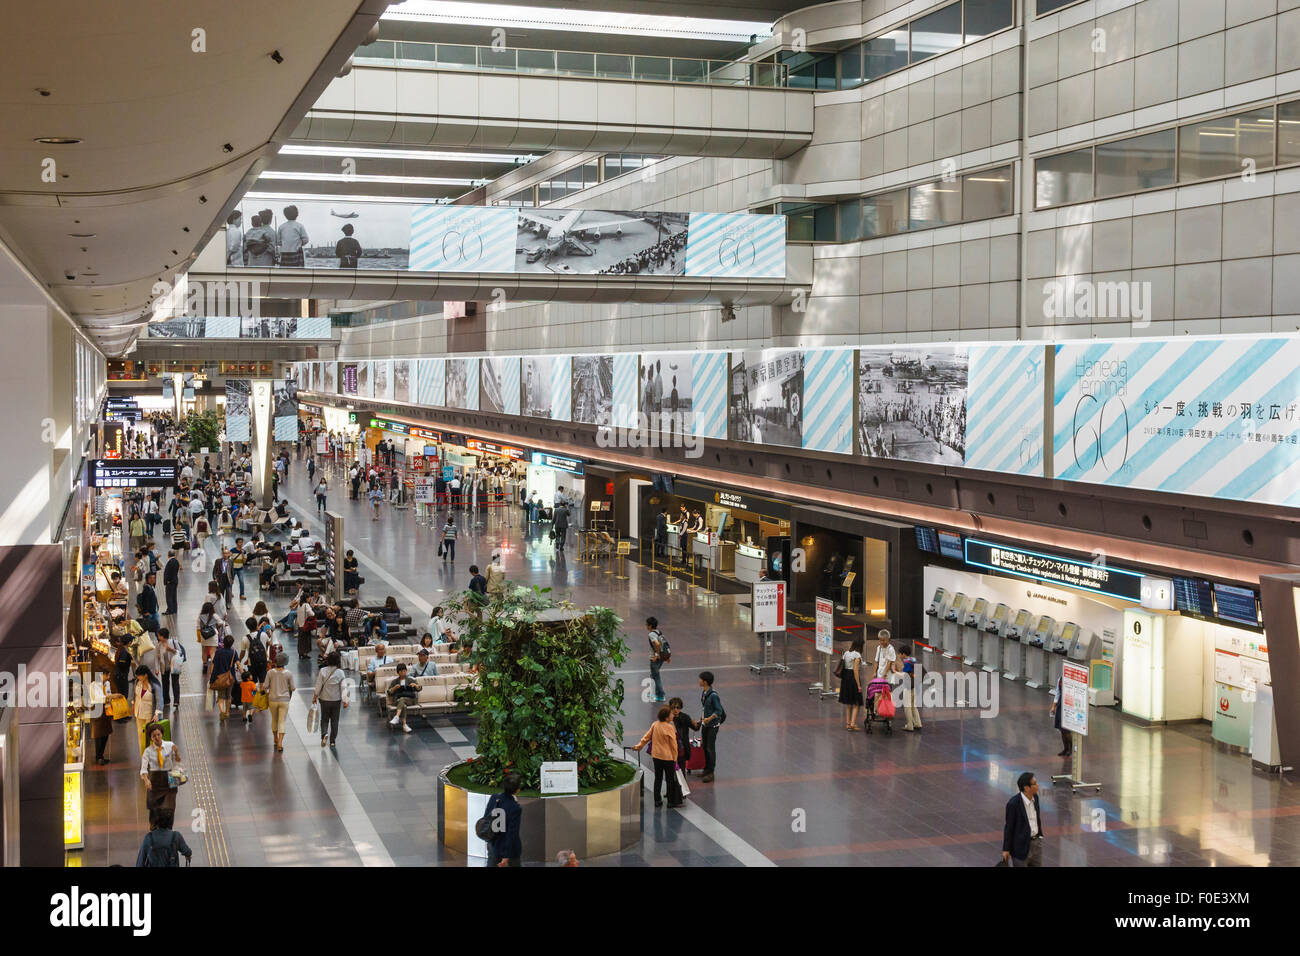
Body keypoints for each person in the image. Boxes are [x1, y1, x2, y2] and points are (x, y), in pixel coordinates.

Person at [633, 705, 684, 809]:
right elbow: (673, 745)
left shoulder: (655, 724)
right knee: (669, 780)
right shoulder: (670, 727)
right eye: (671, 714)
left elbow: (646, 737)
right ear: (666, 717)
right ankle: (670, 802)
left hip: (656, 756)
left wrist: (639, 746)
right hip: (668, 758)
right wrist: (675, 758)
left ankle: (657, 800)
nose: (673, 715)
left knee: (658, 778)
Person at [138, 721, 181, 827]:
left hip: (170, 776)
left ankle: (169, 827)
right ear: (151, 738)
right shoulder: (148, 751)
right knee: (154, 806)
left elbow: (178, 761)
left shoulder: (170, 745)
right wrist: (146, 780)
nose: (157, 737)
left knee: (170, 806)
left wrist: (177, 753)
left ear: (162, 734)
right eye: (154, 736)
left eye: (159, 734)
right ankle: (153, 825)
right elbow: (143, 769)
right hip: (155, 779)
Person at [1002, 772, 1044, 867]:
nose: (1038, 785)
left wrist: (1040, 835)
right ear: (1026, 788)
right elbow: (1009, 828)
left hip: (1036, 844)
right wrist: (1006, 849)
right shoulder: (1013, 804)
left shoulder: (1035, 798)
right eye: (1035, 783)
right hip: (1021, 847)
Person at [483, 771, 523, 867]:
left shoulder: (494, 798)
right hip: (510, 851)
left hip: (493, 844)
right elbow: (512, 833)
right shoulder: (515, 807)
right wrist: (506, 856)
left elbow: (486, 819)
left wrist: (487, 840)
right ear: (517, 790)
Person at [312, 650, 348, 749]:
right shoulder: (340, 672)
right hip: (336, 700)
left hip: (324, 699)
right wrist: (345, 700)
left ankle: (324, 734)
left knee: (324, 719)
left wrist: (315, 697)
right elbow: (343, 687)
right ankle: (332, 741)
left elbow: (318, 685)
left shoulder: (322, 671)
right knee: (335, 721)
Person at [240, 616, 270, 724]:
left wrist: (239, 660)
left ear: (247, 627)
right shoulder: (263, 634)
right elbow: (268, 644)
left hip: (252, 664)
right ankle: (261, 703)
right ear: (256, 624)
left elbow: (243, 652)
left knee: (252, 683)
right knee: (262, 683)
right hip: (263, 662)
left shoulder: (245, 638)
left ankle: (252, 701)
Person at [262, 653, 295, 753]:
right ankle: (280, 742)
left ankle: (275, 738)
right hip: (284, 700)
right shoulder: (289, 673)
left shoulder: (270, 672)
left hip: (272, 700)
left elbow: (265, 686)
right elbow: (293, 688)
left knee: (274, 719)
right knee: (282, 721)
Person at [697, 671, 725, 783]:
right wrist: (702, 718)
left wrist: (710, 718)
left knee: (710, 748)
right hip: (705, 724)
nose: (698, 681)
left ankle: (711, 772)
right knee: (705, 747)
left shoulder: (713, 695)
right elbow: (705, 708)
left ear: (705, 682)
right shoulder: (704, 692)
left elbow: (718, 711)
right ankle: (706, 768)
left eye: (700, 679)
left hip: (712, 725)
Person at [209, 634, 240, 721]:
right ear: (231, 643)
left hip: (220, 678)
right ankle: (227, 712)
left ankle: (222, 712)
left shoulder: (219, 652)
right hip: (230, 678)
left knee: (221, 696)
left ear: (224, 643)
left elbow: (213, 664)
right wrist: (242, 672)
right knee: (228, 696)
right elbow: (238, 664)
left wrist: (211, 675)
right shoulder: (233, 652)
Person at [132, 666, 161, 753]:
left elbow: (160, 700)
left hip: (149, 714)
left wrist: (157, 714)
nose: (138, 677)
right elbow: (135, 695)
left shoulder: (154, 685)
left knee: (150, 736)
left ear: (145, 675)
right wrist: (133, 704)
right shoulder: (138, 682)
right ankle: (143, 756)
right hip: (139, 712)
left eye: (139, 675)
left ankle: (152, 755)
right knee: (140, 734)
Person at [839, 636, 865, 731]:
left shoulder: (846, 653)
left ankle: (848, 724)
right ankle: (853, 723)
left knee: (849, 703)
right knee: (856, 702)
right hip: (852, 679)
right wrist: (858, 685)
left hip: (845, 678)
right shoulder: (857, 655)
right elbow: (855, 671)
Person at [89, 674, 115, 765]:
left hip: (106, 709)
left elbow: (109, 693)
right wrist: (108, 697)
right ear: (101, 675)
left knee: (106, 733)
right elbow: (96, 698)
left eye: (108, 675)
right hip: (97, 709)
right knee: (98, 734)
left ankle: (101, 755)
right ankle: (98, 756)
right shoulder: (93, 685)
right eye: (106, 675)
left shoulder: (107, 683)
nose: (108, 677)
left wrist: (110, 698)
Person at [156, 628, 184, 712]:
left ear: (162, 636)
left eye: (159, 635)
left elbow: (180, 652)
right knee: (165, 683)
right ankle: (166, 700)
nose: (158, 637)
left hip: (174, 666)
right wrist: (157, 668)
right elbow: (156, 657)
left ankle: (176, 701)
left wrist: (171, 650)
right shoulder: (158, 645)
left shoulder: (174, 642)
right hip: (164, 667)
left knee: (175, 682)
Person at [386, 663, 419, 733]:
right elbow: (389, 692)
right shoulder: (394, 681)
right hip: (398, 701)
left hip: (410, 700)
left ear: (406, 671)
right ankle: (404, 725)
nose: (403, 673)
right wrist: (394, 688)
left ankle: (396, 717)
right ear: (398, 672)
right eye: (401, 671)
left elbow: (419, 689)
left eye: (404, 671)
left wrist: (415, 685)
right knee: (403, 704)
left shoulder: (411, 679)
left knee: (402, 699)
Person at [899, 643, 922, 732]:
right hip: (916, 685)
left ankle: (909, 725)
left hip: (908, 686)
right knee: (913, 705)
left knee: (907, 706)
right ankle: (917, 723)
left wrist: (895, 672)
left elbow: (905, 675)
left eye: (900, 654)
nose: (899, 656)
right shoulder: (913, 659)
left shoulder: (906, 662)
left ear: (903, 654)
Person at [668, 697, 694, 773]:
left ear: (681, 708)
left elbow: (695, 728)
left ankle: (682, 784)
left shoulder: (685, 717)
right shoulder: (668, 718)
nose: (675, 709)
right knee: (671, 772)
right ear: (670, 708)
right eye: (673, 708)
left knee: (682, 770)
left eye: (678, 707)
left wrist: (698, 723)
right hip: (670, 749)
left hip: (681, 748)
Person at [646, 616, 666, 703]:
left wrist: (656, 655)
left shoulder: (651, 634)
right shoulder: (659, 632)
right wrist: (666, 656)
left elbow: (657, 644)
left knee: (656, 676)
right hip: (661, 657)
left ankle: (661, 695)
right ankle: (653, 692)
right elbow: (663, 644)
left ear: (650, 626)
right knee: (653, 675)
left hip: (655, 658)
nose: (646, 626)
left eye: (646, 624)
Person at [1050, 675, 1071, 756]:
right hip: (1060, 704)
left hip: (1068, 704)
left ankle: (1071, 749)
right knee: (1061, 729)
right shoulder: (1060, 679)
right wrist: (1053, 706)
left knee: (1066, 730)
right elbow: (1058, 693)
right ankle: (1065, 748)